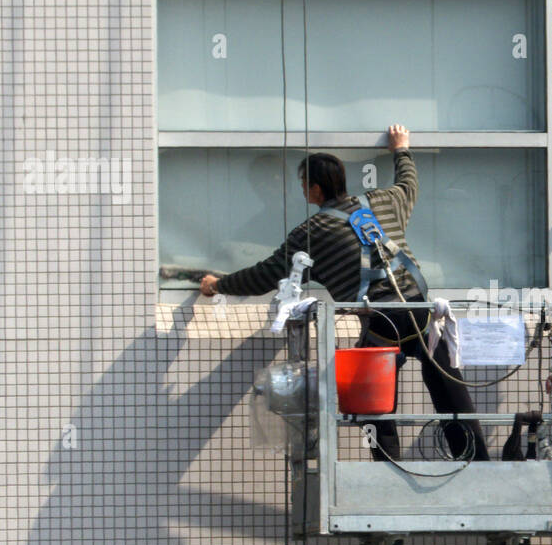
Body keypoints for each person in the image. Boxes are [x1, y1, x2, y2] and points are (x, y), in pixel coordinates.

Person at [200, 125, 489, 462]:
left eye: (303, 185)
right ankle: (476, 464)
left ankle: (388, 472)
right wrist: (402, 149)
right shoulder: (385, 201)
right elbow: (408, 185)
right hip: (421, 309)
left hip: (383, 322)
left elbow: (264, 275)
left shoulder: (312, 233)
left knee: (374, 406)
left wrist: (218, 285)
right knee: (450, 392)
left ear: (315, 189)